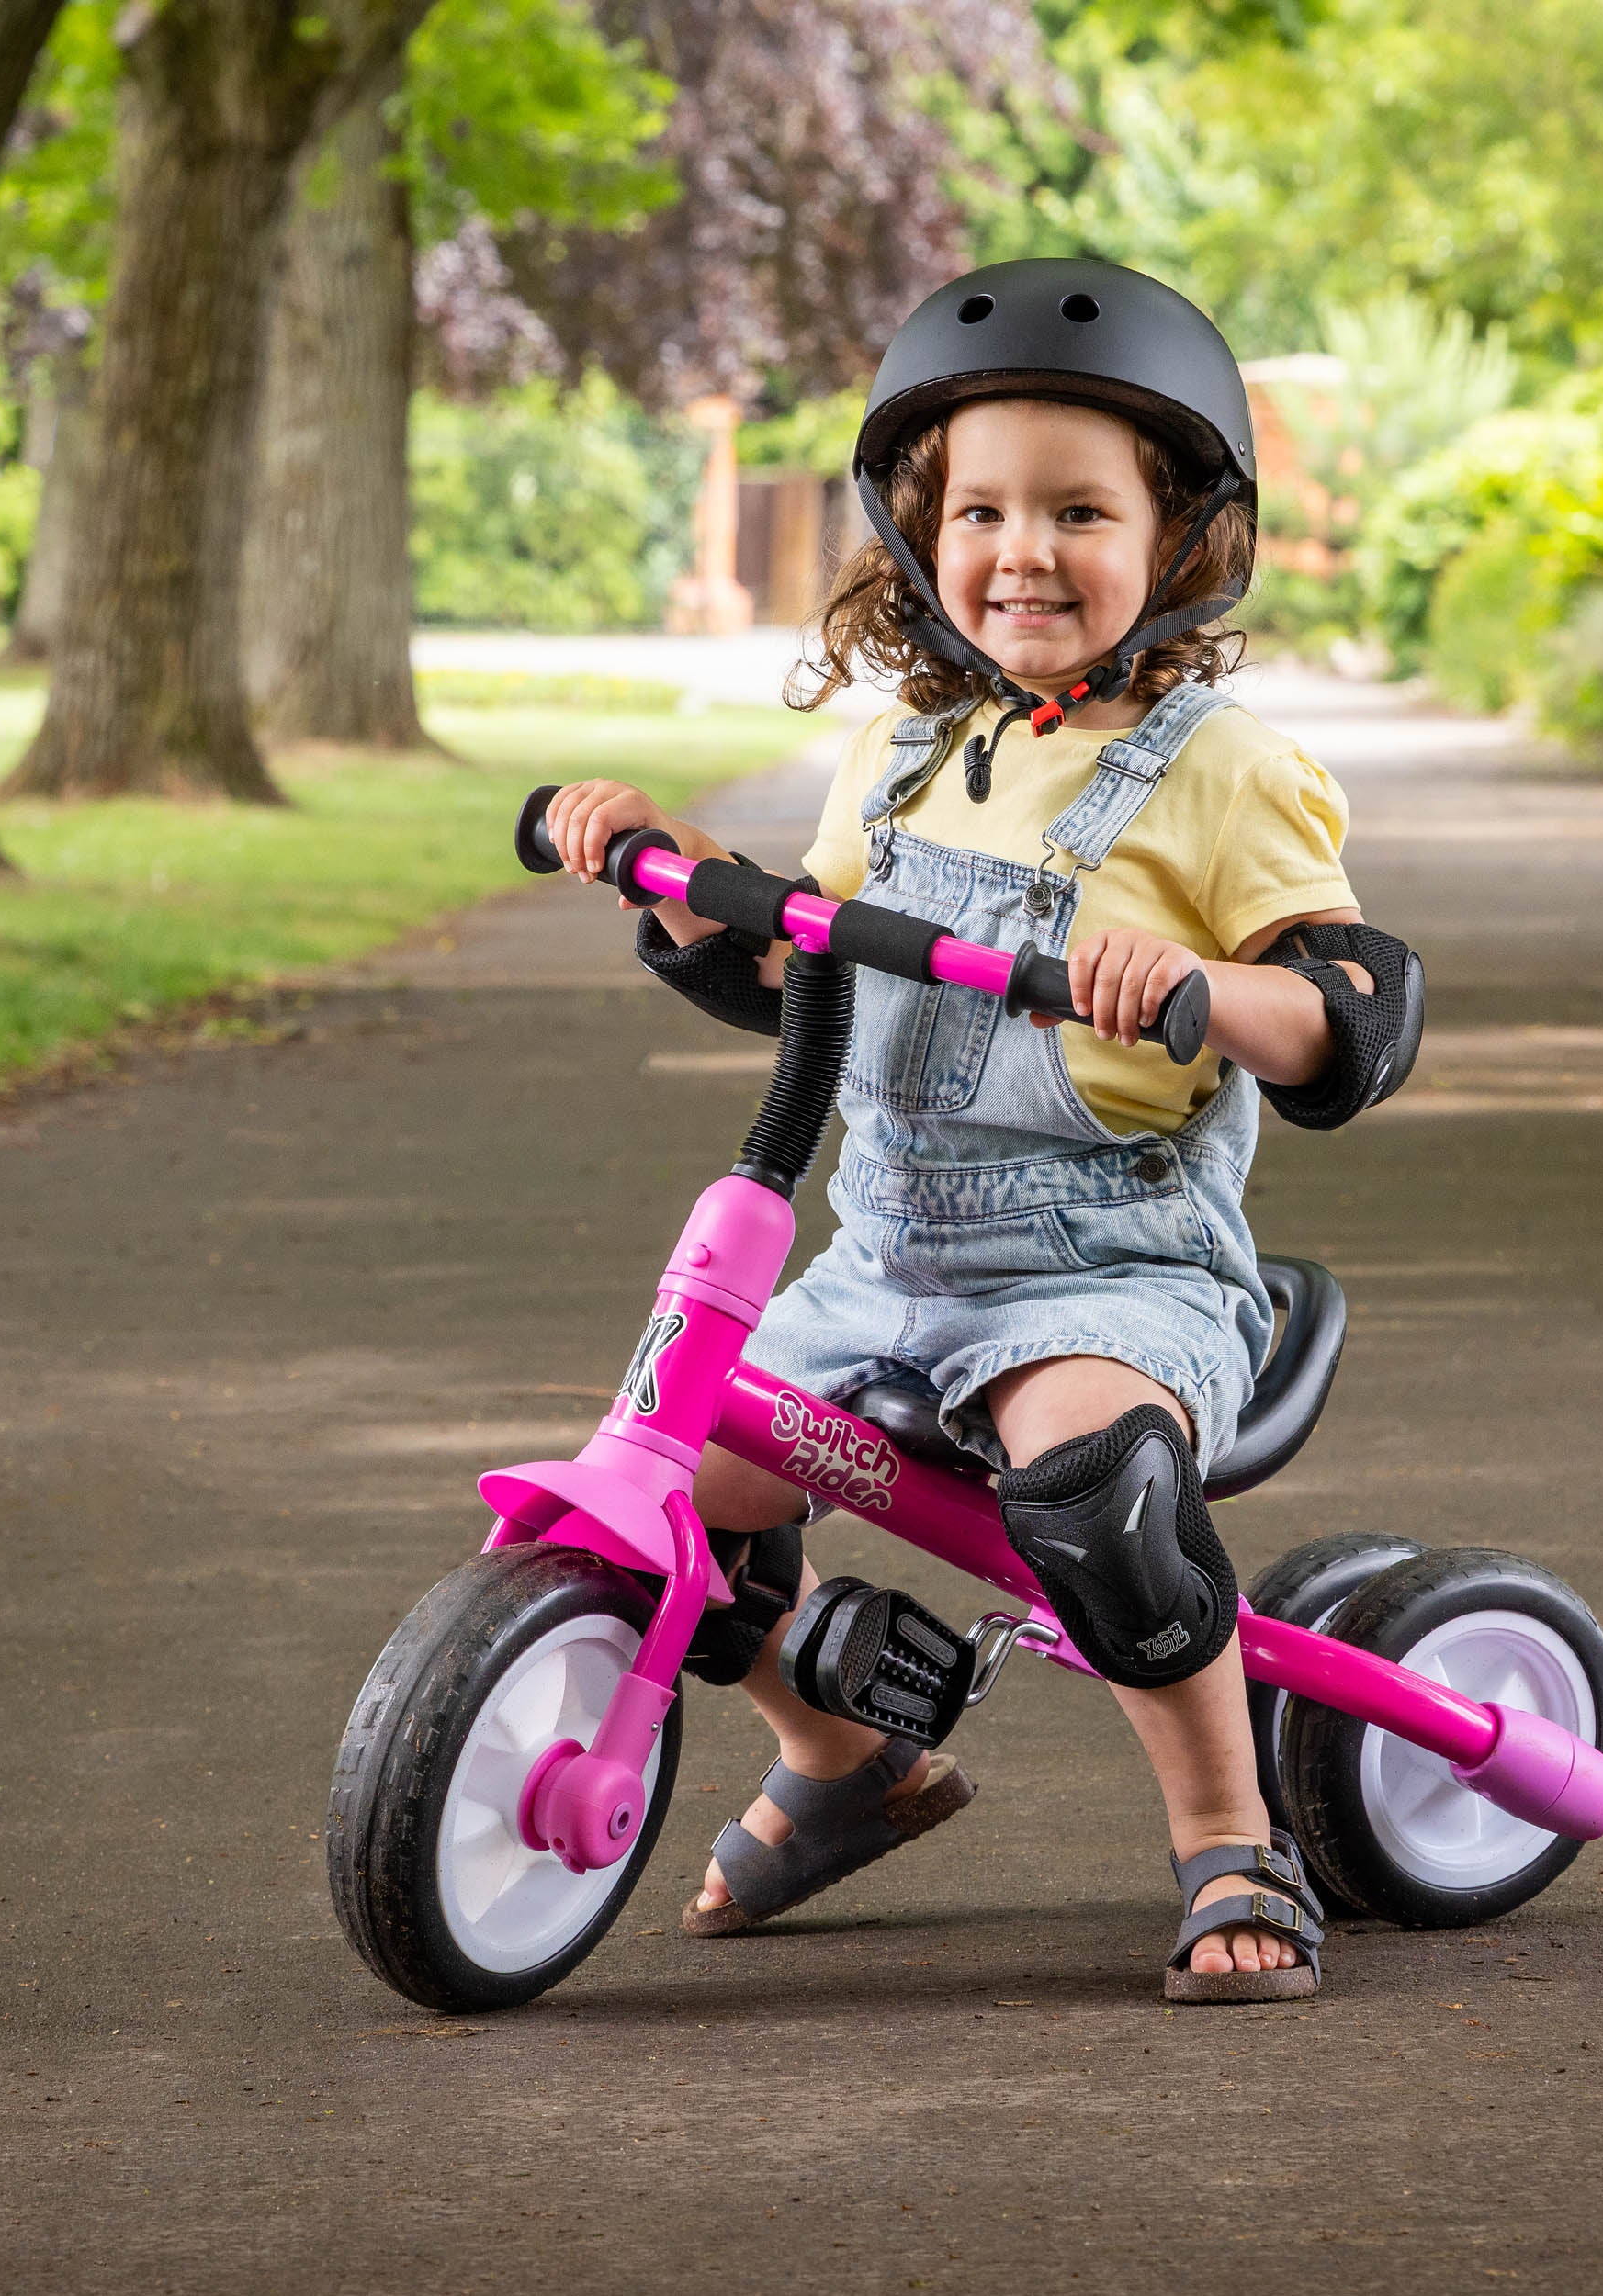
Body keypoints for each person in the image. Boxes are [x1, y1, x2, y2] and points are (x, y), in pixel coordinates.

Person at [544, 259, 1419, 2003]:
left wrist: (1196, 986)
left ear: (1177, 541)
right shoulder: (905, 746)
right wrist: (685, 893)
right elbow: (826, 980)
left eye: (1080, 511)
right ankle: (846, 1753)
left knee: (1093, 1494)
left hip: (1113, 1271)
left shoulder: (1223, 770)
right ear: (920, 528)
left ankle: (1226, 1830)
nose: (1024, 550)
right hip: (887, 1263)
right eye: (984, 509)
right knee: (659, 1494)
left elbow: (1351, 1013)